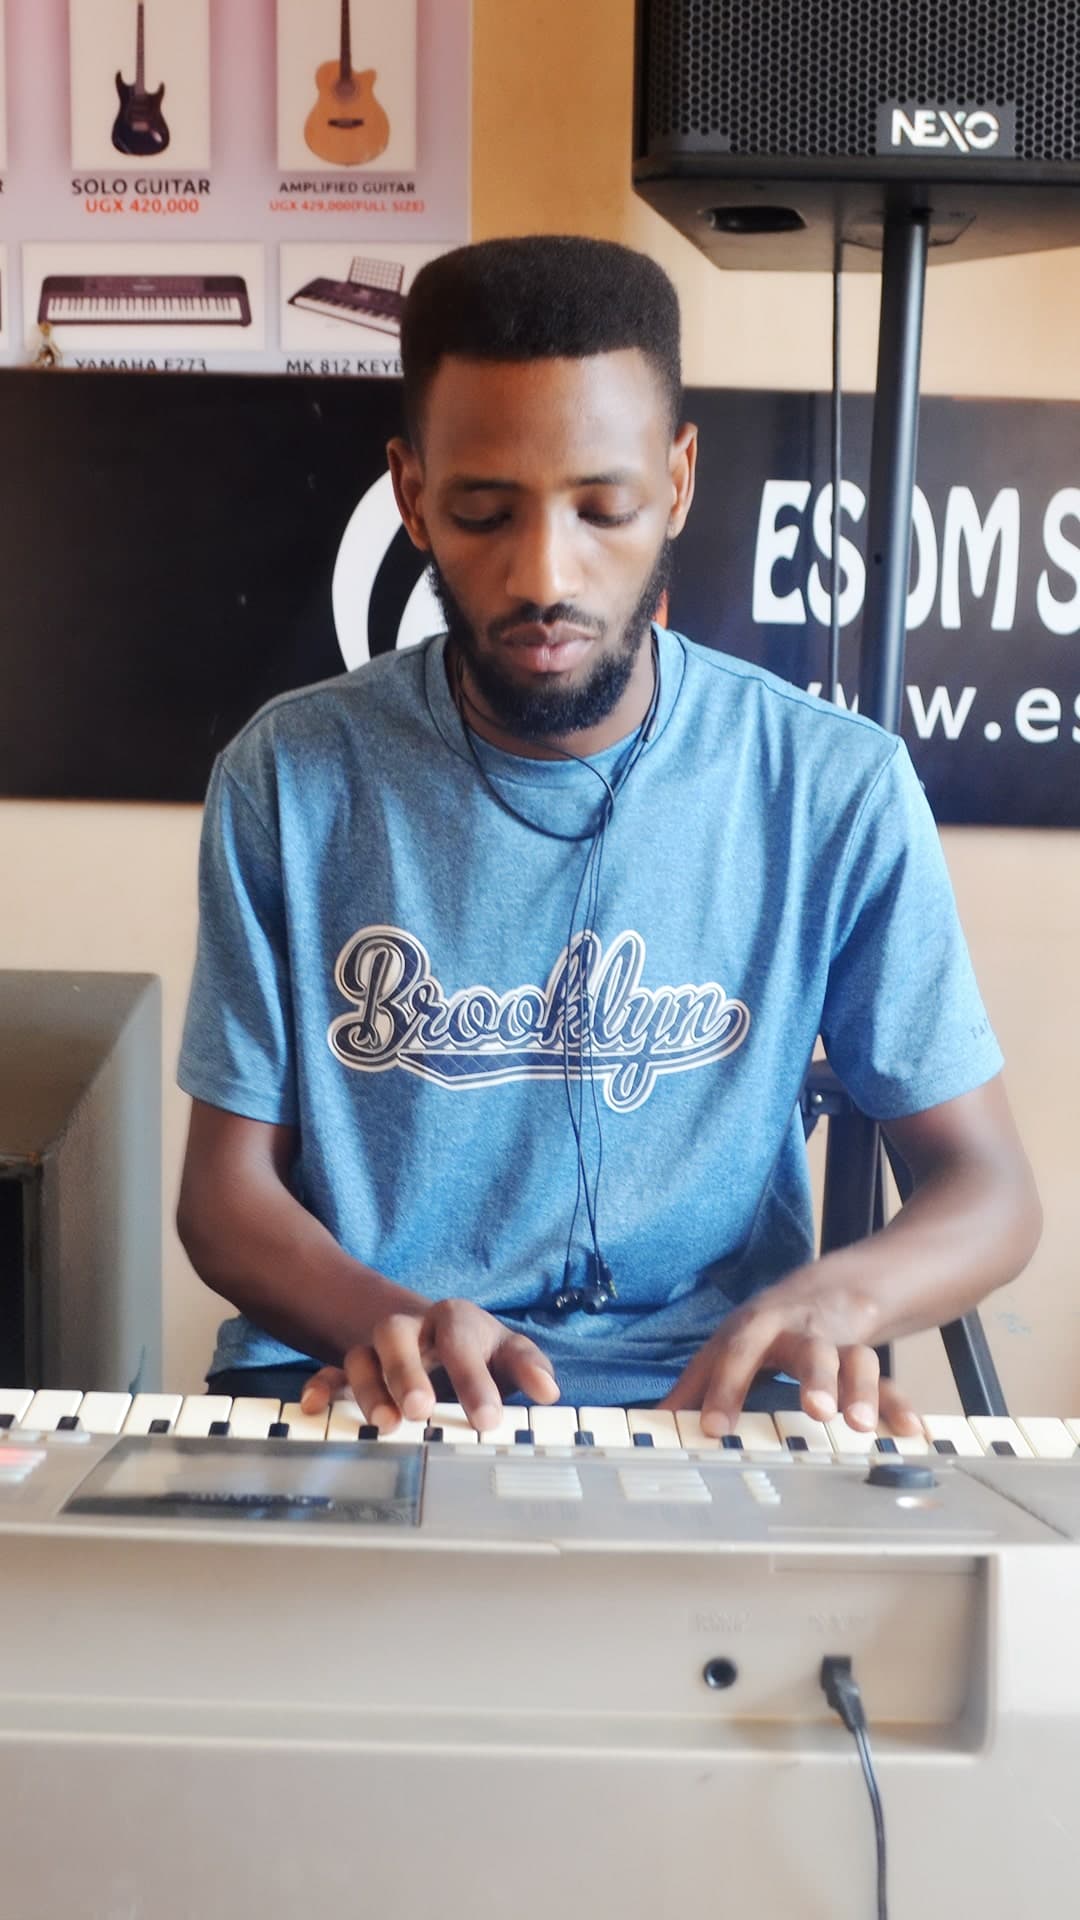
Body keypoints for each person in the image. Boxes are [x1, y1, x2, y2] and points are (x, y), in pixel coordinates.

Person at [176, 234, 1041, 1441]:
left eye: (604, 507)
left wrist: (840, 1296)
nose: (546, 574)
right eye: (484, 512)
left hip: (712, 1398)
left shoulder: (834, 784)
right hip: (366, 1381)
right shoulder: (290, 777)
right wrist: (391, 1319)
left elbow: (990, 1187)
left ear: (677, 482)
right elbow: (222, 1200)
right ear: (413, 493)